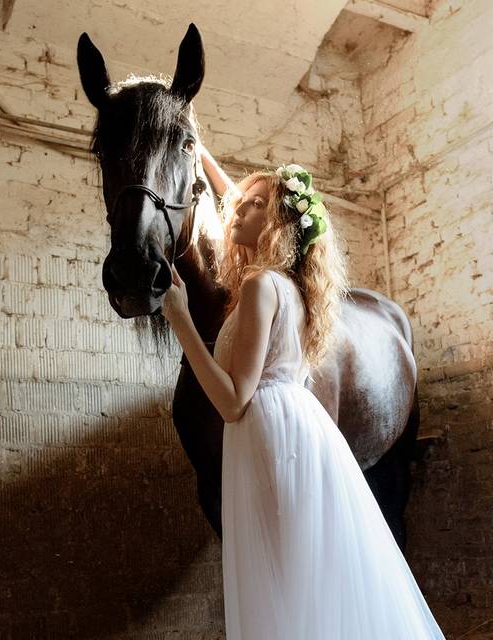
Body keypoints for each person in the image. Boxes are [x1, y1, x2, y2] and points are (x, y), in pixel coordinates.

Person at [161, 144, 447, 640]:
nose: (239, 207)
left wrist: (181, 320)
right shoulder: (285, 284)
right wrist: (201, 152)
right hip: (292, 424)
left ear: (275, 226)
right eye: (242, 201)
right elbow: (235, 202)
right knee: (303, 569)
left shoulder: (257, 288)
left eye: (255, 205)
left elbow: (232, 403)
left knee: (283, 568)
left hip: (268, 433)